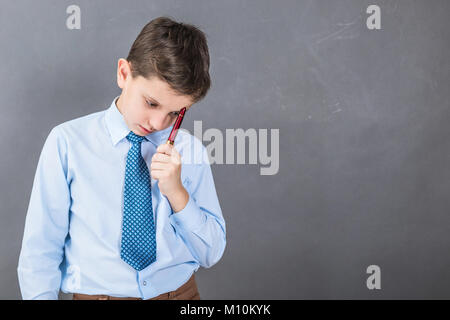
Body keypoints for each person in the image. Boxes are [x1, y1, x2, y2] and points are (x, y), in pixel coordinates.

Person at [17, 16, 226, 300]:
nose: (157, 122)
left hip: (179, 295)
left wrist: (177, 193)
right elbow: (40, 250)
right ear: (124, 74)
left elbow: (211, 253)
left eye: (174, 113)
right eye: (151, 103)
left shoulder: (190, 152)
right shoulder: (67, 143)